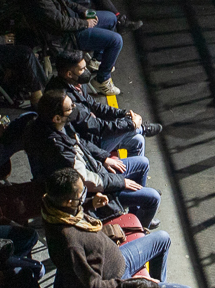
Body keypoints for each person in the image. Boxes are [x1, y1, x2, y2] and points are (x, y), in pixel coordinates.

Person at [41, 168, 192, 288]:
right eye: (82, 193)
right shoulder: (70, 243)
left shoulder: (52, 208)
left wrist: (90, 204)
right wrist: (134, 286)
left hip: (116, 258)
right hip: (117, 281)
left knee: (163, 239)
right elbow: (93, 287)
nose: (85, 193)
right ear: (69, 202)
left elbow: (78, 222)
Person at [28, 90, 160, 230]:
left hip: (97, 169)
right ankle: (139, 230)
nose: (74, 109)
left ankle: (137, 214)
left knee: (143, 163)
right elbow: (86, 180)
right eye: (70, 108)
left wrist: (104, 158)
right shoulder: (57, 149)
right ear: (57, 117)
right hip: (97, 192)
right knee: (153, 198)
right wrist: (120, 182)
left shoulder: (59, 125)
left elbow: (81, 142)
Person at [17, 0, 122, 96]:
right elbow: (61, 23)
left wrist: (83, 10)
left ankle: (97, 60)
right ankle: (102, 80)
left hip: (74, 21)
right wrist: (85, 23)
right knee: (116, 41)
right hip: (68, 37)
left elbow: (64, 1)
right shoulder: (38, 0)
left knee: (111, 18)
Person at [46, 50, 159, 157]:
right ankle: (142, 128)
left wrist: (124, 114)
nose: (87, 71)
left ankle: (132, 174)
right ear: (69, 74)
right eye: (82, 69)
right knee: (133, 129)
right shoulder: (66, 101)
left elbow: (96, 106)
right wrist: (131, 124)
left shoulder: (76, 83)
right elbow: (97, 126)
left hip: (93, 132)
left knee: (138, 141)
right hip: (88, 143)